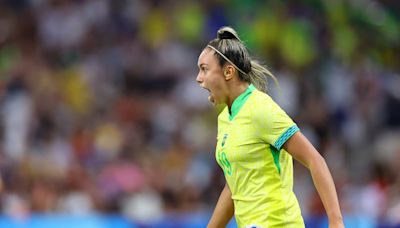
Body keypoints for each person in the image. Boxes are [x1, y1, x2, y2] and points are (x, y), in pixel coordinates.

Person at [196, 26, 344, 228]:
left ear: (228, 71)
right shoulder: (225, 118)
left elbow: (314, 159)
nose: (199, 78)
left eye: (204, 69)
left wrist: (336, 221)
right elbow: (234, 187)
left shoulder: (260, 108)